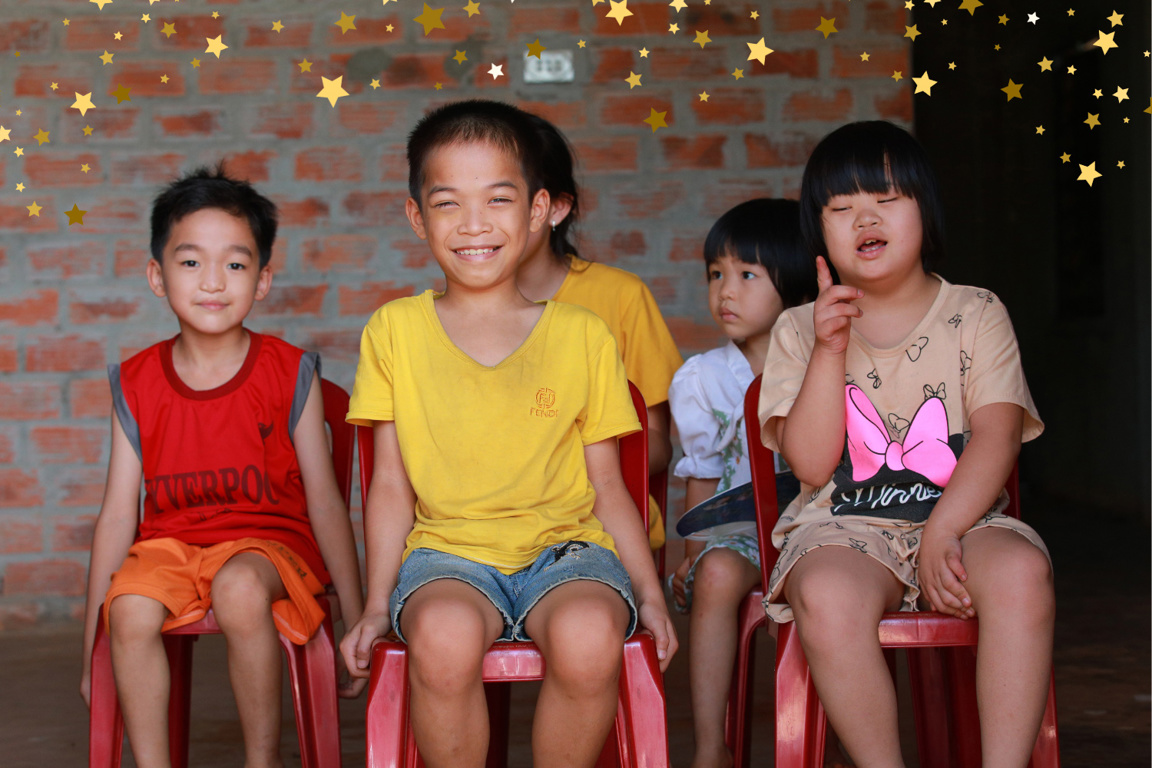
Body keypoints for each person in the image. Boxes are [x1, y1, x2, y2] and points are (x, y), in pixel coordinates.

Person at [339, 100, 677, 768]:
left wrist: (651, 595)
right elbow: (387, 486)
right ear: (415, 216)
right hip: (447, 557)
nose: (473, 225)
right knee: (440, 635)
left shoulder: (584, 334)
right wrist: (377, 605)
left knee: (588, 637)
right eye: (446, 203)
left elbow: (609, 483)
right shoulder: (394, 332)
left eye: (498, 199)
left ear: (538, 210)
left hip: (569, 552)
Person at [759, 121, 1054, 768]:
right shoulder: (797, 330)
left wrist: (945, 530)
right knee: (829, 593)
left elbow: (999, 434)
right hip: (844, 527)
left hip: (965, 519)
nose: (864, 217)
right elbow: (809, 465)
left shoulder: (976, 313)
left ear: (926, 209)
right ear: (819, 231)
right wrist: (829, 348)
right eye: (841, 209)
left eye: (886, 200)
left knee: (1021, 572)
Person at [78, 166, 365, 768]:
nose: (213, 282)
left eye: (235, 264)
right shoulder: (134, 382)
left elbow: (325, 499)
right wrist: (89, 653)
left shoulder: (290, 372)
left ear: (262, 280)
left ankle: (262, 761)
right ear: (157, 276)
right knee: (128, 606)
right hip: (170, 547)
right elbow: (115, 516)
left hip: (269, 545)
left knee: (237, 588)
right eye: (190, 263)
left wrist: (357, 618)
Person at [667, 199, 815, 768]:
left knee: (817, 587)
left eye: (747, 275)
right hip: (746, 532)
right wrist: (694, 554)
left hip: (822, 525)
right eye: (716, 274)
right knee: (718, 574)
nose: (726, 291)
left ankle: (823, 744)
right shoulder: (704, 377)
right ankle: (711, 746)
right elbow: (702, 472)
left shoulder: (824, 362)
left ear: (795, 281)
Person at [515, 112, 683, 550]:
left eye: (502, 197)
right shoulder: (447, 314)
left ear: (555, 208)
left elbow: (658, 445)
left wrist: (561, 463)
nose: (479, 219)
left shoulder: (622, 296)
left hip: (602, 532)